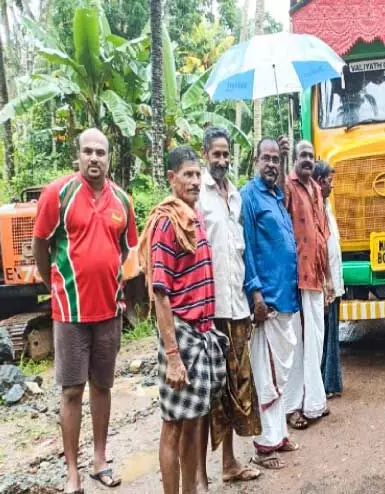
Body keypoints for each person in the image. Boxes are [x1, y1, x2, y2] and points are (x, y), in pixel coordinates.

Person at [32, 128, 136, 493]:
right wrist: (55, 286)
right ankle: (72, 472)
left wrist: (108, 277)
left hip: (109, 311)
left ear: (109, 158)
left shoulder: (122, 200)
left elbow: (126, 250)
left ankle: (100, 460)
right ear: (77, 157)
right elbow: (40, 246)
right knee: (71, 391)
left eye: (101, 153)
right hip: (70, 314)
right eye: (88, 152)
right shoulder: (57, 194)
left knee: (103, 387)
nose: (95, 158)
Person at [139, 146, 228, 494]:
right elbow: (161, 294)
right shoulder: (167, 222)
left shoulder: (193, 216)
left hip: (202, 332)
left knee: (194, 421)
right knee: (173, 425)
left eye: (197, 174)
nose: (194, 180)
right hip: (181, 334)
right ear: (171, 178)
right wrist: (173, 356)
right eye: (187, 175)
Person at [196, 127, 261, 483]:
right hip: (211, 308)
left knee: (237, 386)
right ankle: (202, 473)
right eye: (216, 154)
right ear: (205, 154)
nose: (221, 160)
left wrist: (251, 299)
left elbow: (241, 251)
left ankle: (230, 463)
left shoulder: (234, 196)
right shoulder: (199, 196)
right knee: (212, 391)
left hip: (237, 306)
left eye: (226, 154)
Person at [241, 137, 303, 468]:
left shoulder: (277, 196)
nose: (271, 164)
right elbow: (247, 247)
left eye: (276, 159)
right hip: (266, 301)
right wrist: (255, 293)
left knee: (281, 370)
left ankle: (278, 435)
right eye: (266, 158)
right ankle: (264, 445)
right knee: (266, 374)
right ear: (255, 160)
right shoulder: (249, 197)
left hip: (286, 297)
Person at [283, 140, 333, 429]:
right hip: (297, 278)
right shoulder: (288, 186)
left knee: (316, 340)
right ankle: (293, 407)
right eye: (302, 155)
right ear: (294, 158)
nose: (307, 160)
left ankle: (314, 402)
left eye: (310, 156)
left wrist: (327, 280)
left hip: (316, 277)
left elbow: (322, 237)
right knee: (298, 343)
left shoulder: (315, 189)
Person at [313, 160, 345, 398]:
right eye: (329, 181)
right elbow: (320, 246)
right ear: (320, 182)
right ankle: (325, 382)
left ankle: (330, 381)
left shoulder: (326, 206)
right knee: (326, 335)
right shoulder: (316, 210)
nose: (332, 186)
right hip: (326, 282)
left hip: (334, 279)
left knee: (332, 332)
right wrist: (328, 282)